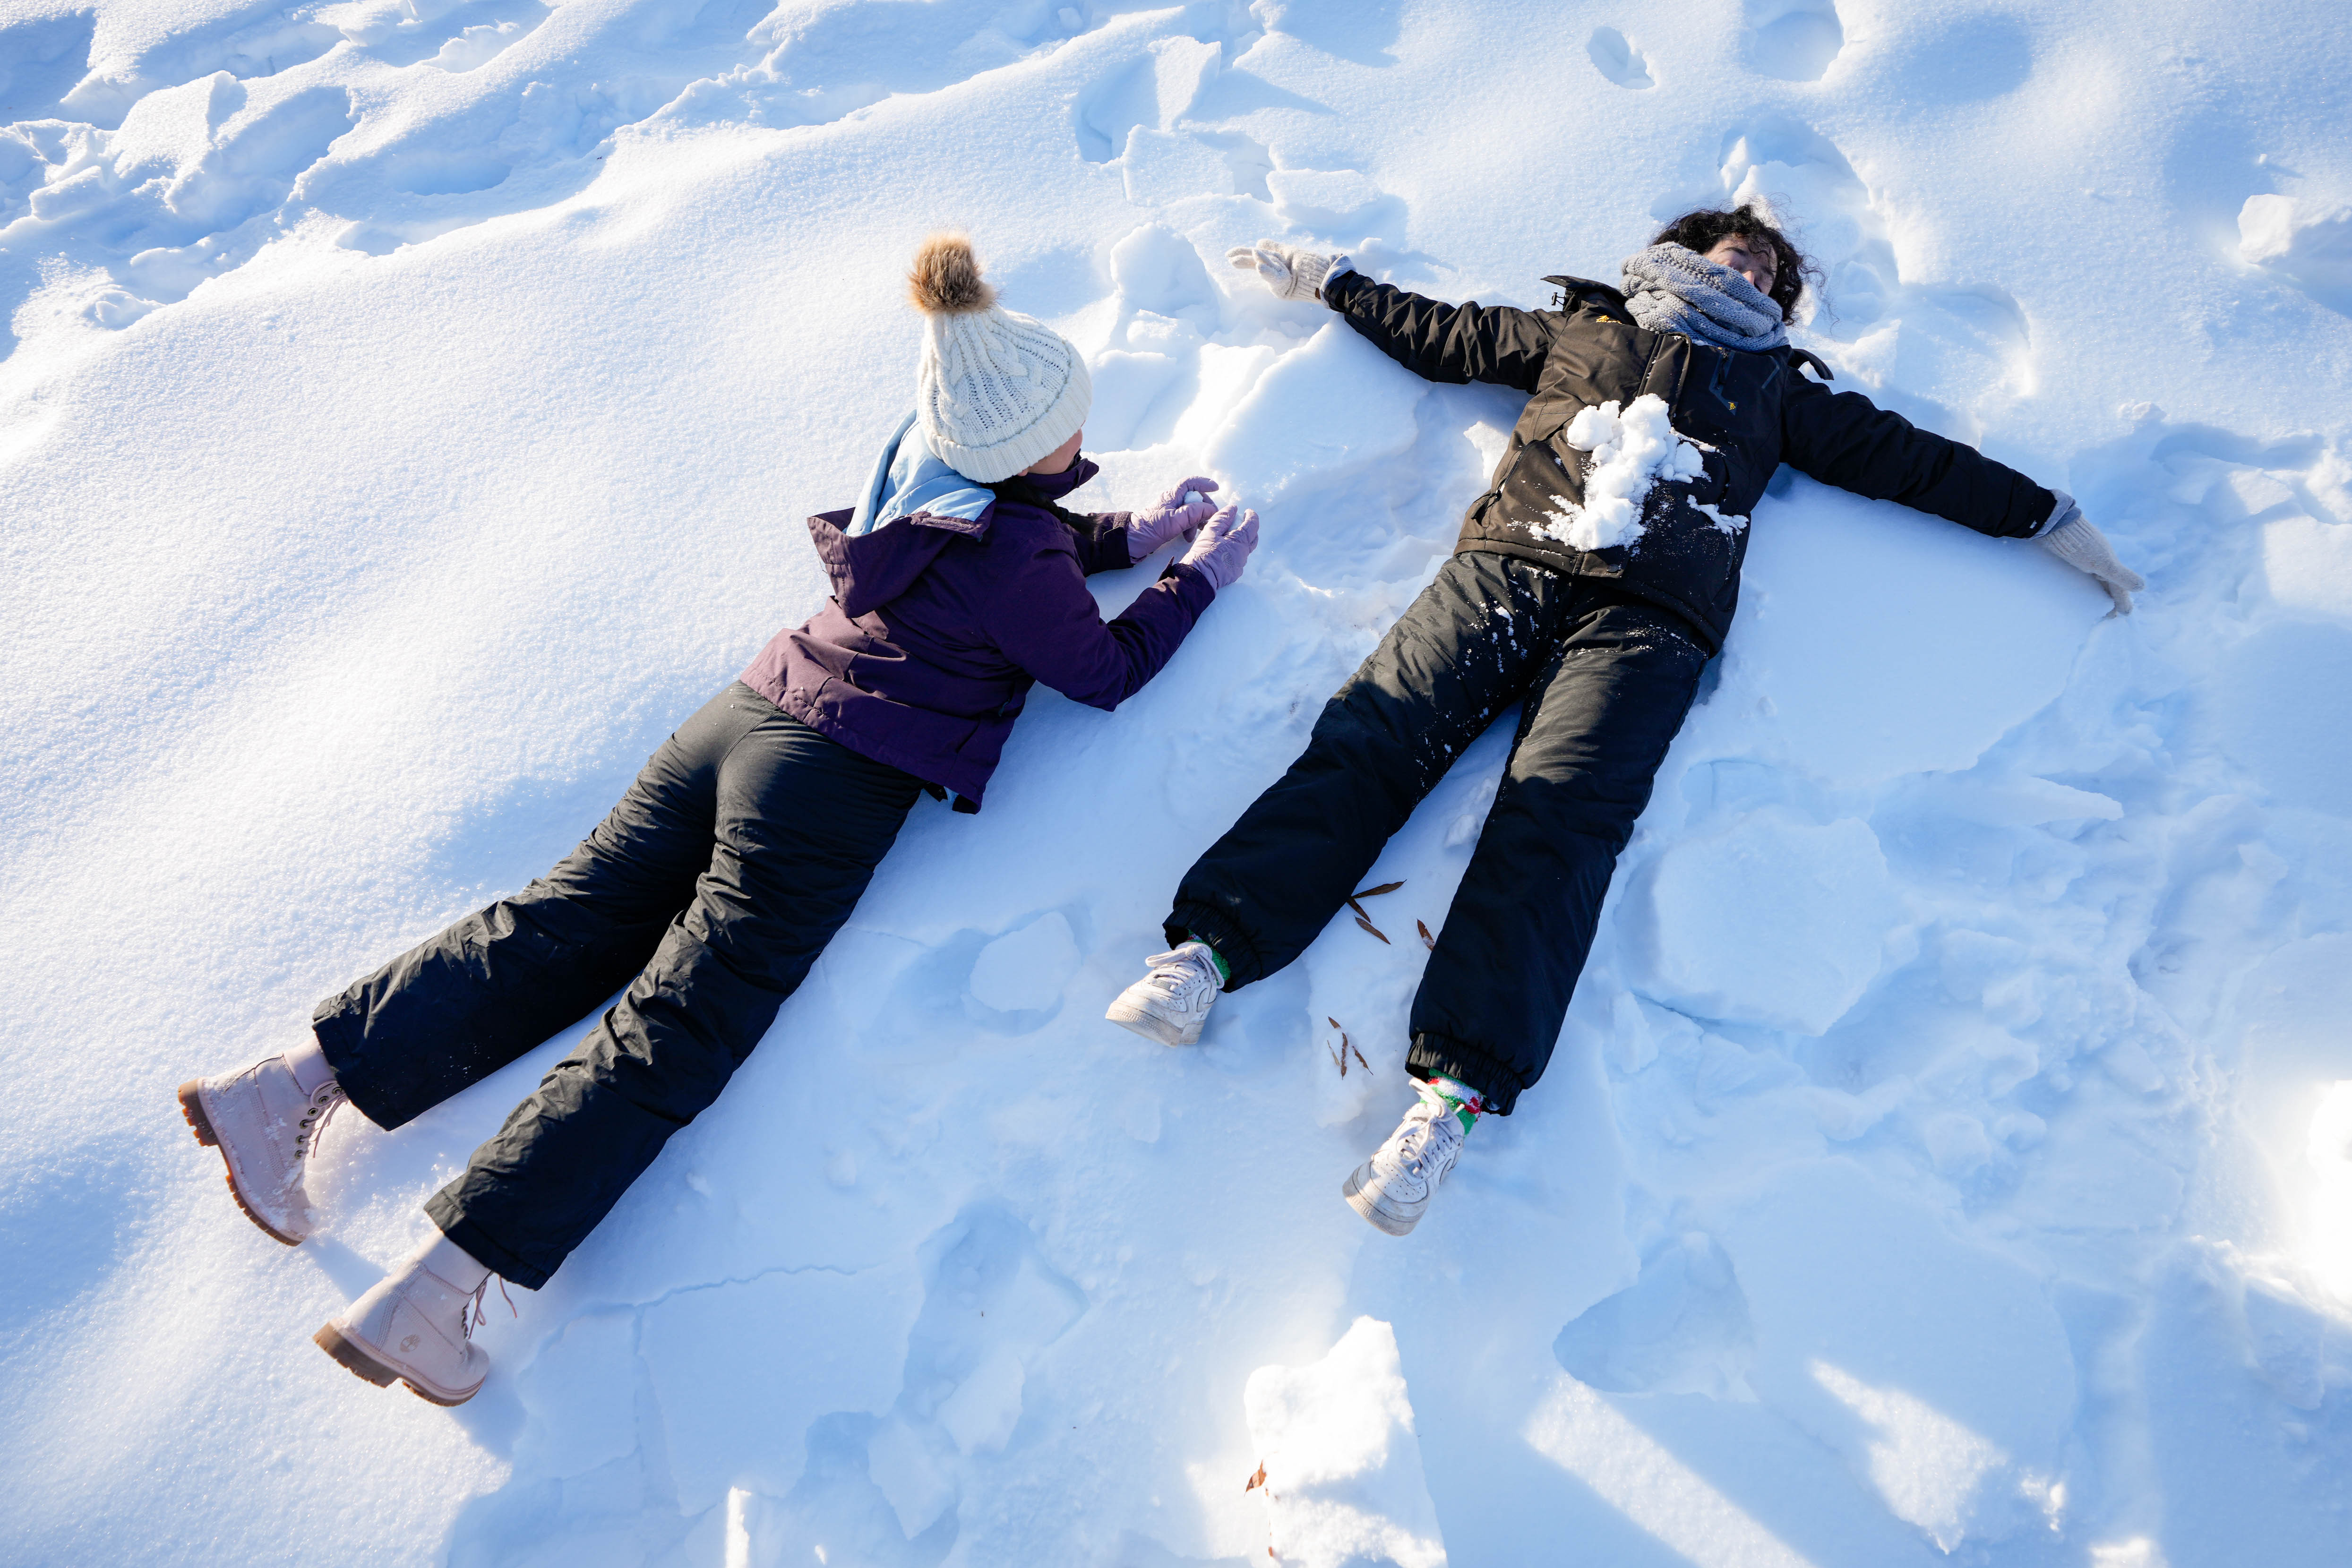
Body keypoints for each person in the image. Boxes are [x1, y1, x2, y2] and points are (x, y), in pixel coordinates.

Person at [177, 234, 1261, 1406]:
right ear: (1010, 448)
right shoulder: (1009, 549)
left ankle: (282, 1087)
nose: (1080, 449)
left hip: (744, 712)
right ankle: (431, 1296)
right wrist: (1192, 577)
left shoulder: (926, 456)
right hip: (832, 785)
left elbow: (1007, 543)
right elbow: (1094, 666)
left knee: (564, 921)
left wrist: (1126, 531)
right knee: (679, 1023)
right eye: (1065, 434)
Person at [1106, 206, 2142, 1236]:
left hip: (1649, 620)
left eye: (1770, 263)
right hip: (1509, 561)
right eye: (1732, 244)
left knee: (1558, 825)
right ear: (1686, 252)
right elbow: (1446, 331)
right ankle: (1210, 952)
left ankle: (1449, 1104)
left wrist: (2045, 516)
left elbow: (1918, 462)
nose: (1750, 257)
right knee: (1374, 737)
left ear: (1775, 297)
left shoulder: (1778, 388)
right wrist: (1331, 280)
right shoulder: (1586, 330)